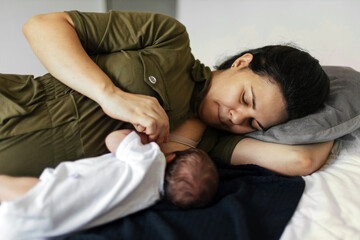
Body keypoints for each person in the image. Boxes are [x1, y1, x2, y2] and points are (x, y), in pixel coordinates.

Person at [0, 10, 333, 177]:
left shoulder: (210, 143)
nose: (237, 117)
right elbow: (42, 26)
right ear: (242, 63)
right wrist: (112, 96)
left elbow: (299, 160)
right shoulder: (169, 40)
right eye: (246, 99)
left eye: (253, 123)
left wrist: (338, 110)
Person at [0, 117, 218, 239]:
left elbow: (113, 139)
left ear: (170, 158)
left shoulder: (151, 159)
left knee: (15, 187)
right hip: (41, 230)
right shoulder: (150, 197)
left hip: (50, 198)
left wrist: (142, 140)